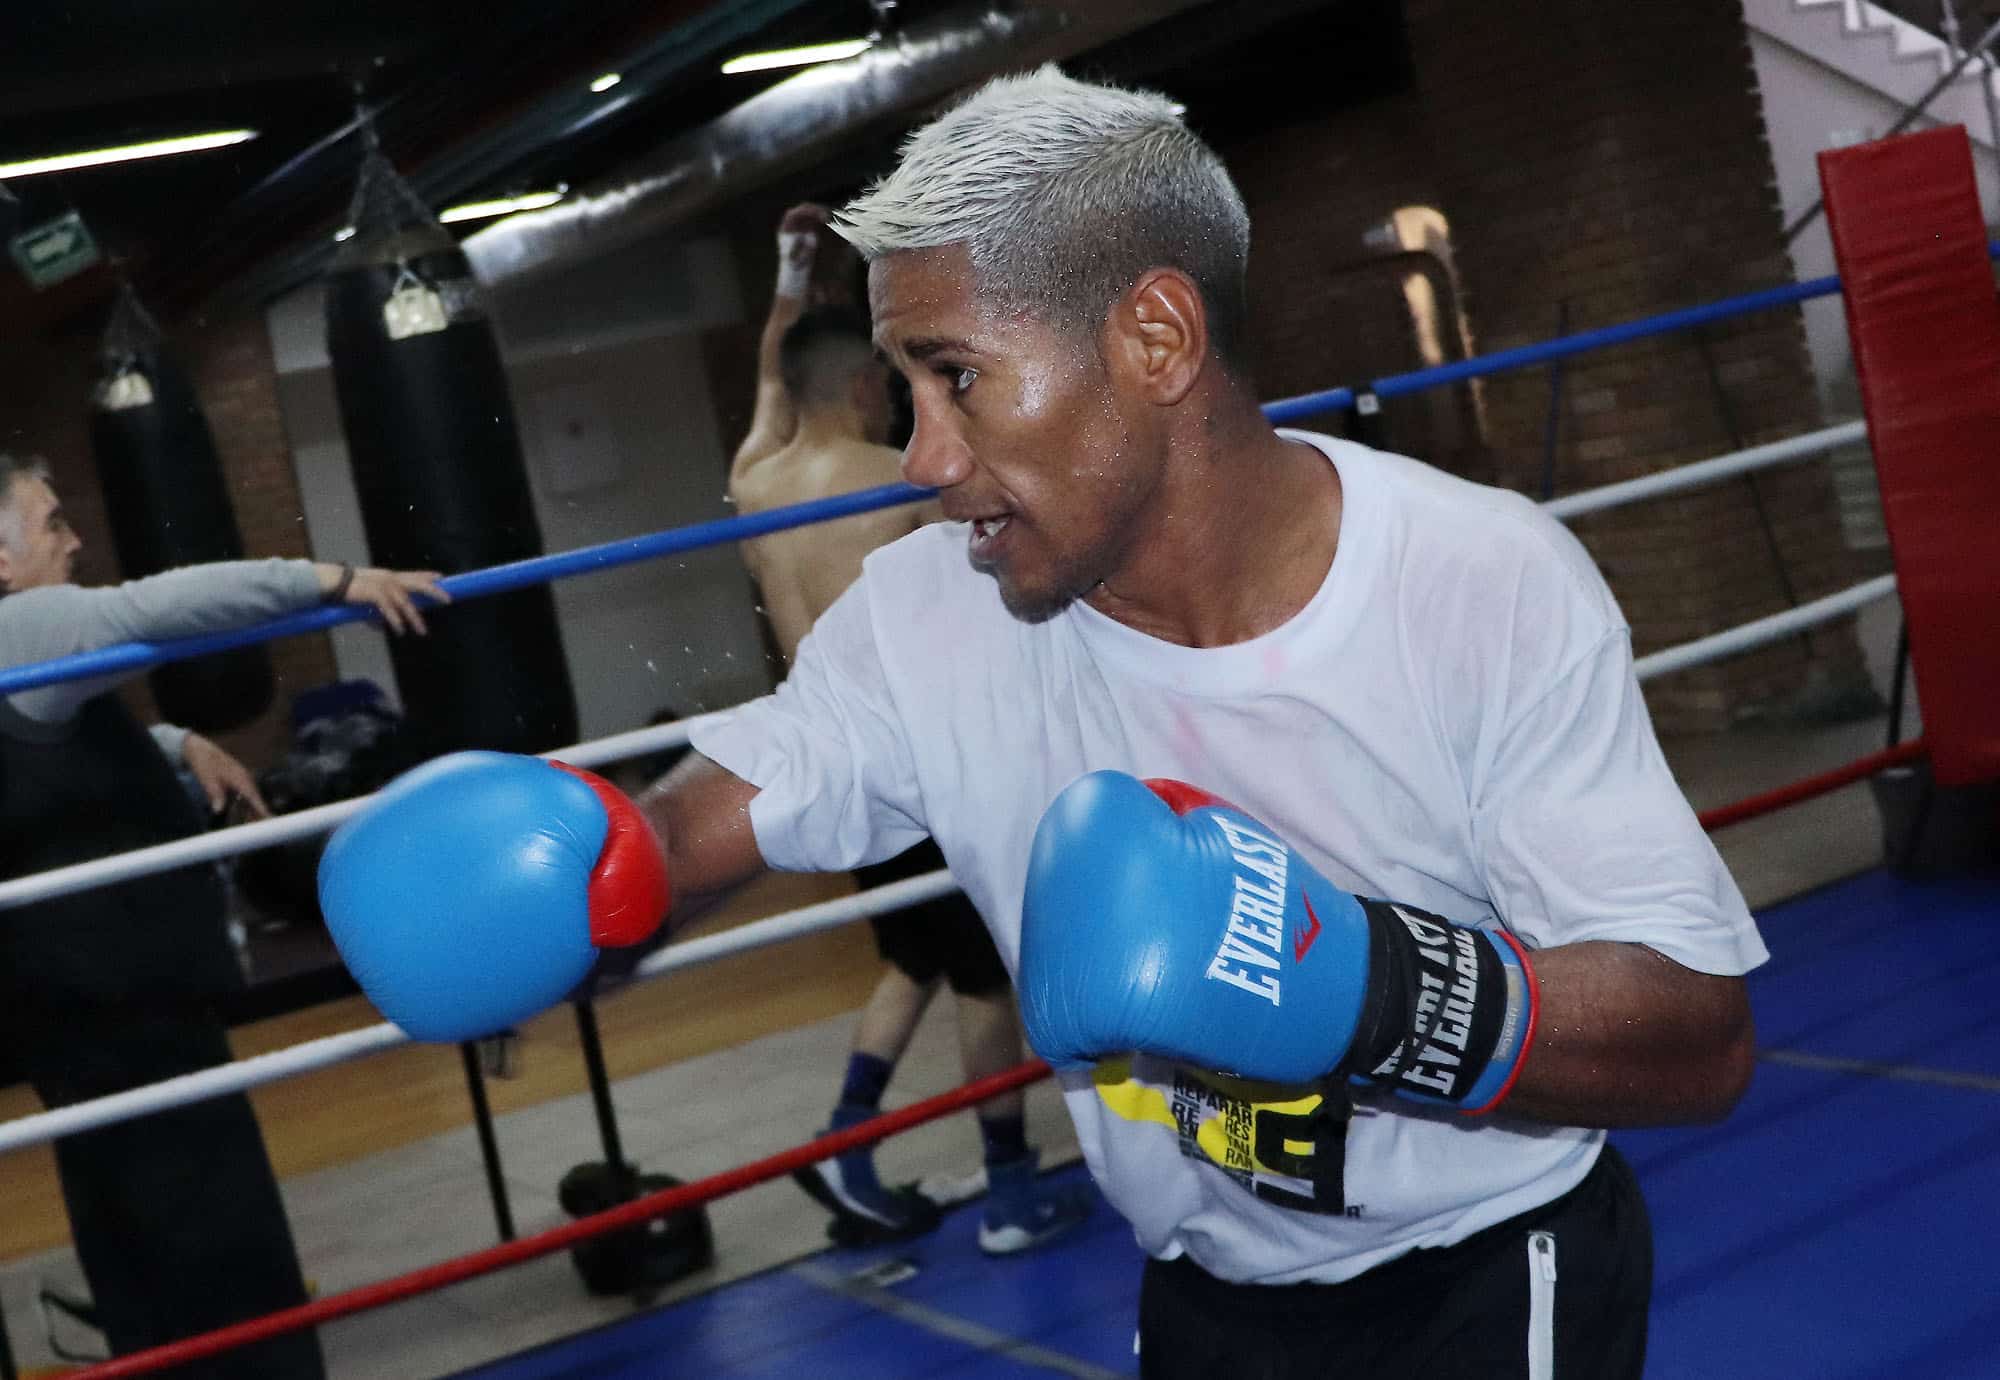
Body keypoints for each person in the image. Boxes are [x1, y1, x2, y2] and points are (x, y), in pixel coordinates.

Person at [322, 67, 1763, 1378]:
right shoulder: (926, 616)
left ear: (1154, 336)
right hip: (1205, 1292)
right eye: (903, 389)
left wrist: (1363, 992)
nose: (925, 457)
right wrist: (574, 896)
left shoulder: (1477, 583)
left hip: (1493, 1273)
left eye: (956, 377)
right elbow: (687, 840)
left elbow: (1695, 1039)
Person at [0, 451, 446, 1376]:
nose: (76, 538)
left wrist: (171, 742)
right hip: (126, 1011)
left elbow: (38, 739)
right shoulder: (24, 626)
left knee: (136, 1246)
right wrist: (336, 581)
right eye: (51, 524)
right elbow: (155, 609)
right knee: (217, 1252)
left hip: (72, 1012)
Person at [727, 205, 1091, 1252]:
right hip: (919, 753)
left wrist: (793, 268)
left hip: (824, 752)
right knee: (982, 976)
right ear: (863, 384)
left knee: (912, 959)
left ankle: (844, 1143)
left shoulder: (756, 478)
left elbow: (772, 374)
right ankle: (1010, 1193)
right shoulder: (897, 479)